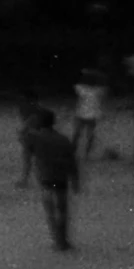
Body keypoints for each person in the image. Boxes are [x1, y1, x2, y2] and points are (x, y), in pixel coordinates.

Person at [21, 107, 78, 251]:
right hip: (61, 177)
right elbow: (72, 162)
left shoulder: (34, 137)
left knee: (50, 211)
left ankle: (56, 240)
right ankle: (63, 240)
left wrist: (28, 123)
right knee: (62, 211)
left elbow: (24, 141)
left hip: (45, 177)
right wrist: (75, 180)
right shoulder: (63, 139)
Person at [72, 68, 108, 169]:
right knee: (88, 135)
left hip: (82, 113)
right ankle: (85, 155)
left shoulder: (81, 88)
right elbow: (104, 83)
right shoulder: (98, 90)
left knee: (78, 134)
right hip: (91, 113)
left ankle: (75, 153)